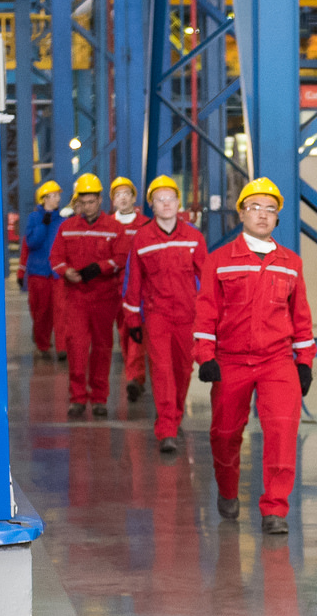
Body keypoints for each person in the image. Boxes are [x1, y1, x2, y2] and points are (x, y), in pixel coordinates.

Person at [193, 176, 316, 535]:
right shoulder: (219, 260)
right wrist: (205, 356)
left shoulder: (290, 263)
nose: (263, 214)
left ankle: (275, 509)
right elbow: (206, 312)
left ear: (277, 217)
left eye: (270, 209)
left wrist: (305, 362)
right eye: (255, 207)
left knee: (282, 432)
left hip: (277, 361)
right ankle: (227, 489)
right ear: (242, 213)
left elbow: (301, 317)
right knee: (224, 434)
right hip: (230, 360)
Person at [123, 175, 209, 454]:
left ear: (178, 202)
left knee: (183, 370)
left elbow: (208, 280)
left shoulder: (194, 238)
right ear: (152, 205)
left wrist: (211, 319)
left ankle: (175, 415)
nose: (166, 203)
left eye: (170, 198)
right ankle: (167, 429)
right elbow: (134, 281)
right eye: (160, 199)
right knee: (161, 371)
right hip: (157, 315)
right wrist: (133, 320)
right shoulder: (142, 238)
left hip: (187, 315)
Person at [51, 172, 127, 419]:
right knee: (77, 347)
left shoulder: (114, 228)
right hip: (76, 297)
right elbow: (56, 257)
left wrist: (101, 267)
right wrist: (66, 272)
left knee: (102, 348)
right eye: (83, 202)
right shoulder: (67, 228)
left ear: (100, 200)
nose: (87, 206)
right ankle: (77, 398)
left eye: (91, 201)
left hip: (105, 297)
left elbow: (121, 257)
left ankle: (99, 398)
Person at [110, 176, 151, 404]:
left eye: (127, 193)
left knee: (137, 332)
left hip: (140, 290)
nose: (123, 198)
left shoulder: (145, 225)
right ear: (113, 200)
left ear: (134, 198)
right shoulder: (107, 226)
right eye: (118, 194)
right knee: (124, 333)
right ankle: (134, 375)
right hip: (114, 289)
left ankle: (135, 377)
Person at [22, 179, 65, 360]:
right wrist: (43, 225)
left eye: (58, 195)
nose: (57, 199)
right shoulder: (34, 218)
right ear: (44, 198)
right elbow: (31, 243)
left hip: (57, 273)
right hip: (38, 273)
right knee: (41, 312)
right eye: (53, 195)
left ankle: (62, 348)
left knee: (61, 312)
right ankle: (43, 345)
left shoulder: (62, 220)